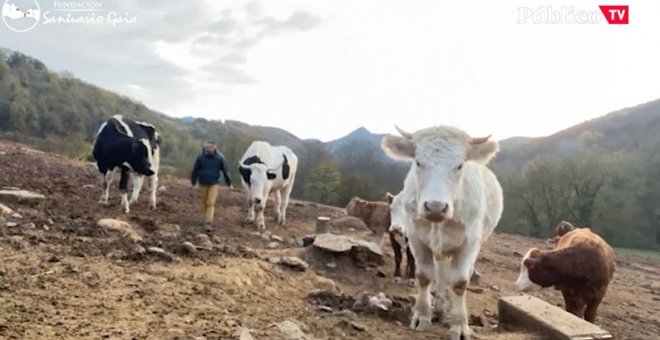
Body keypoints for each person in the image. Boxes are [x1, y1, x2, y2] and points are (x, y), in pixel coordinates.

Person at [190, 141, 232, 231]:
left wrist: (229, 183)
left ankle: (207, 222)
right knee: (205, 201)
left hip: (214, 183)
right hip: (202, 182)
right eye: (206, 148)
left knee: (210, 202)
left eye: (210, 148)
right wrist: (193, 182)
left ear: (214, 149)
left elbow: (225, 171)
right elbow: (195, 170)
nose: (208, 150)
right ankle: (206, 219)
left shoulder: (220, 158)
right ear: (204, 149)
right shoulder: (200, 158)